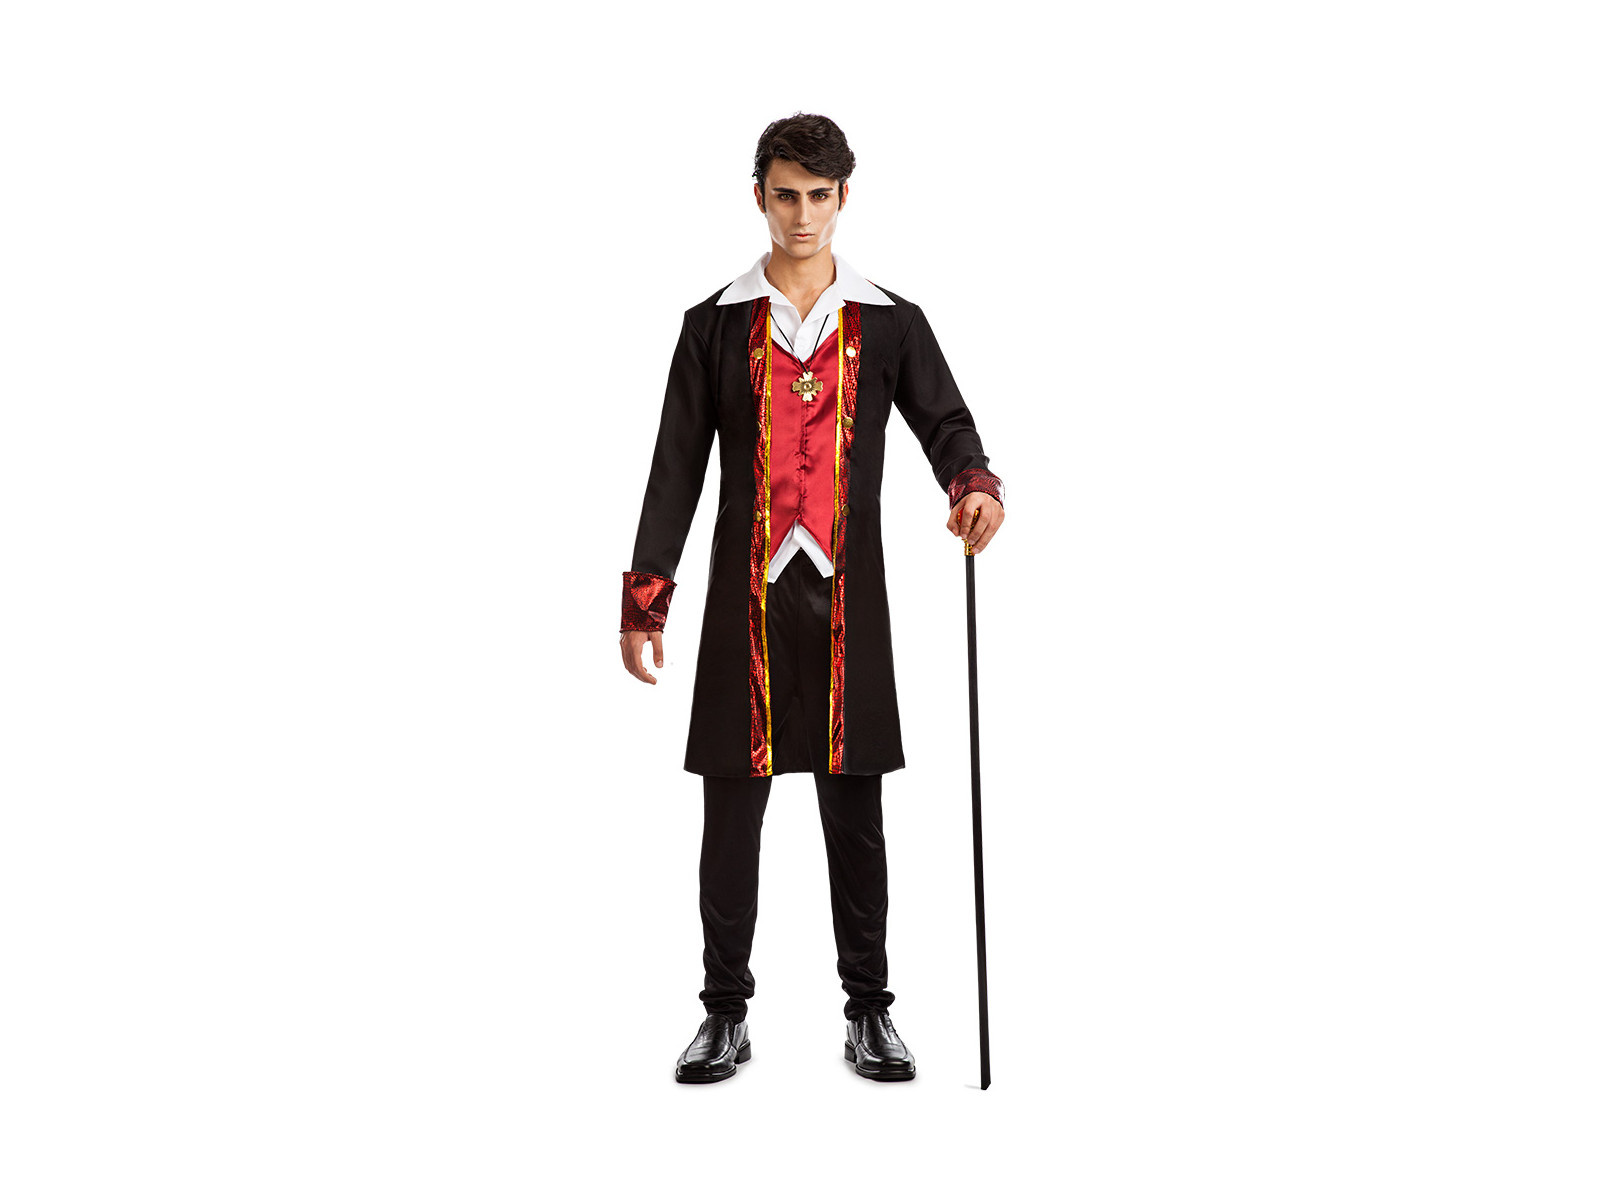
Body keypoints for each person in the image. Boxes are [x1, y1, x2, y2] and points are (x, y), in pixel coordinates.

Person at [618, 113, 1006, 1083]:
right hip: (743, 604)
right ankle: (723, 1014)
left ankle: (869, 1012)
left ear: (844, 198)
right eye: (785, 195)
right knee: (729, 814)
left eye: (819, 197)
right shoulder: (711, 326)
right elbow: (674, 468)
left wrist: (972, 485)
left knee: (855, 813)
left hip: (847, 599)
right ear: (758, 195)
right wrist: (646, 599)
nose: (802, 215)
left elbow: (946, 423)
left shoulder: (891, 322)